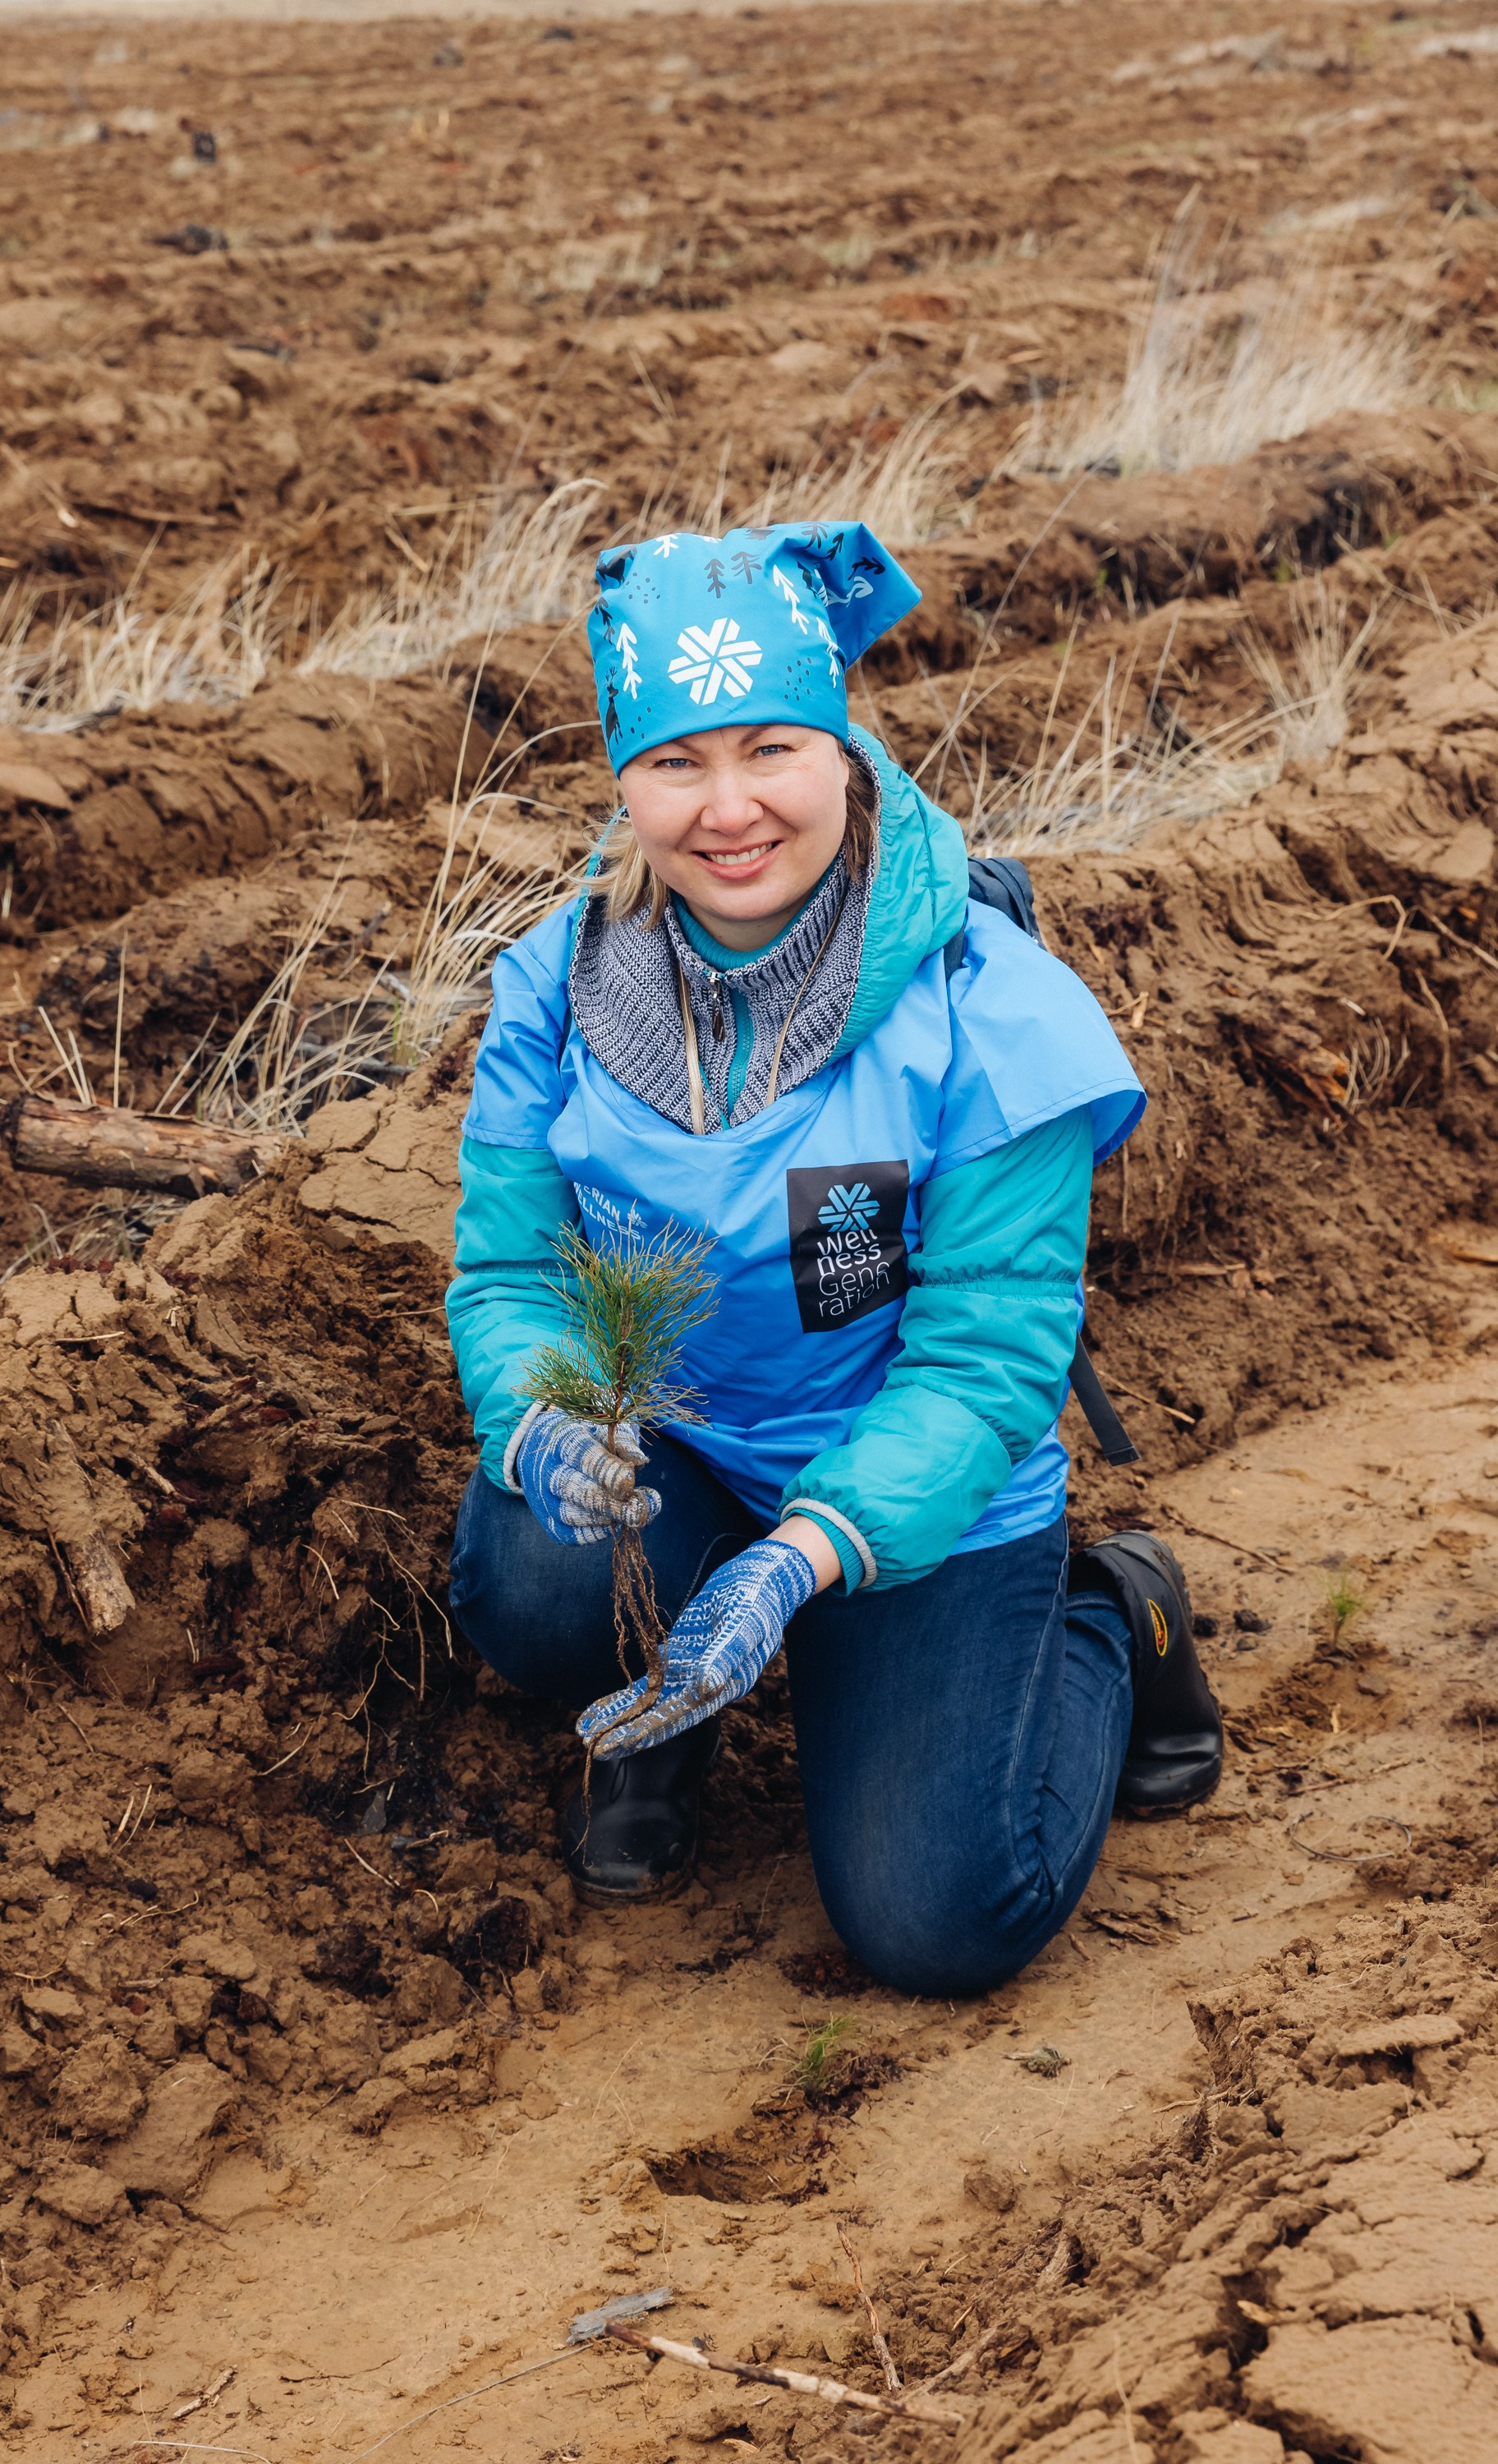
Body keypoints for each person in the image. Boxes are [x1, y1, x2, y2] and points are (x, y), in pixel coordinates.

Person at [443, 522, 1223, 1999]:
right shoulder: (555, 989)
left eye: (771, 749)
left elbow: (989, 1358)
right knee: (532, 1574)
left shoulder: (989, 1013)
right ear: (624, 780)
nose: (728, 809)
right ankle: (660, 1715)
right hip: (682, 1448)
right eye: (676, 763)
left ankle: (1112, 1616)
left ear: (845, 749)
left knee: (942, 1920)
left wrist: (801, 1559)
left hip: (913, 1476)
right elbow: (507, 1275)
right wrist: (544, 1418)